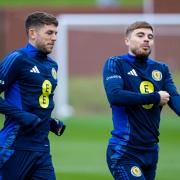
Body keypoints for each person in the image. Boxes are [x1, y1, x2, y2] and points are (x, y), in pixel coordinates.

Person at [102, 21, 180, 180]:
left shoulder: (161, 69)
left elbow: (175, 98)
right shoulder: (115, 63)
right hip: (125, 150)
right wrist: (155, 97)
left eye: (150, 37)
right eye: (140, 35)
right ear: (127, 40)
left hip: (151, 152)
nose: (146, 39)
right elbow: (115, 95)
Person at [0, 11, 65, 180]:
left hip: (42, 147)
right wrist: (22, 116)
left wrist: (50, 122)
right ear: (32, 33)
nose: (54, 38)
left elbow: (36, 103)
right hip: (15, 144)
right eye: (49, 33)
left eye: (56, 33)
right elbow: (23, 109)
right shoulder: (17, 59)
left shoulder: (52, 66)